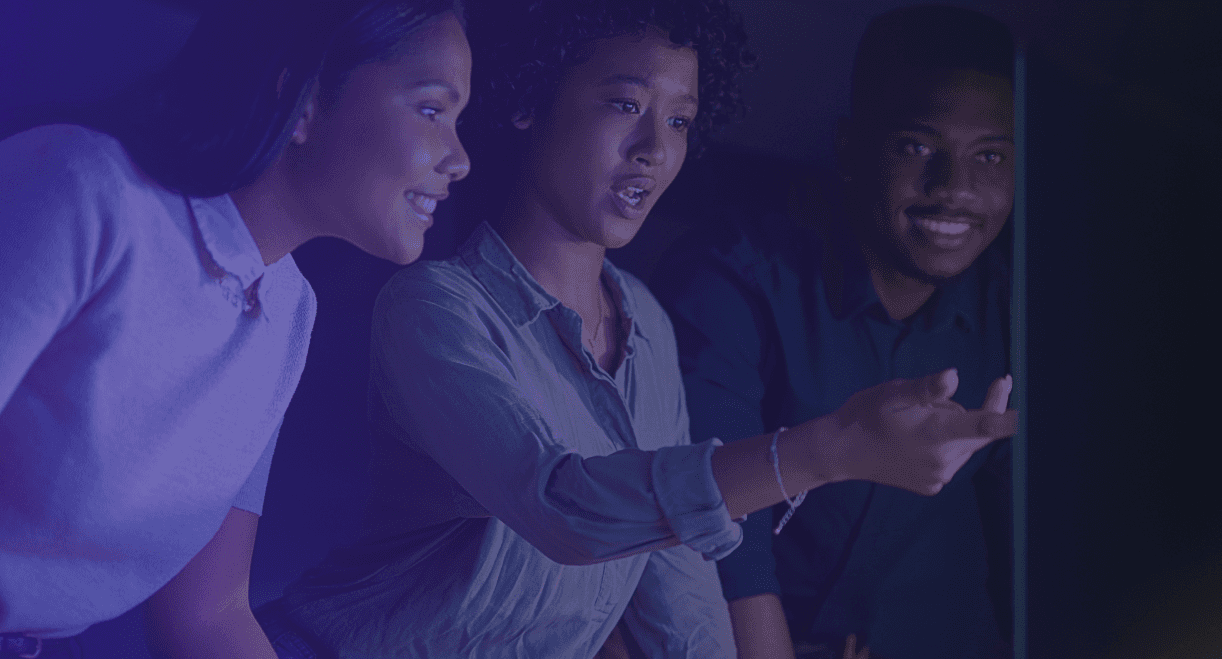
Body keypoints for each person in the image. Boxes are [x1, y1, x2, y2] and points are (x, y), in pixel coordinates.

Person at [0, 1, 470, 658]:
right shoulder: (77, 191)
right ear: (302, 98)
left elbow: (208, 614)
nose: (459, 158)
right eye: (431, 108)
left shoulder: (286, 310)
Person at [254, 1, 1015, 657]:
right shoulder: (434, 306)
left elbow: (676, 592)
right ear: (532, 98)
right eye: (625, 104)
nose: (655, 147)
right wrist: (825, 449)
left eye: (679, 119)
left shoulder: (645, 321)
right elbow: (562, 505)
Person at [651, 6, 1018, 659]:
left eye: (989, 155)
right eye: (916, 147)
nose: (953, 188)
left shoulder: (1019, 312)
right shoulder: (735, 277)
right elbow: (718, 525)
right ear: (850, 149)